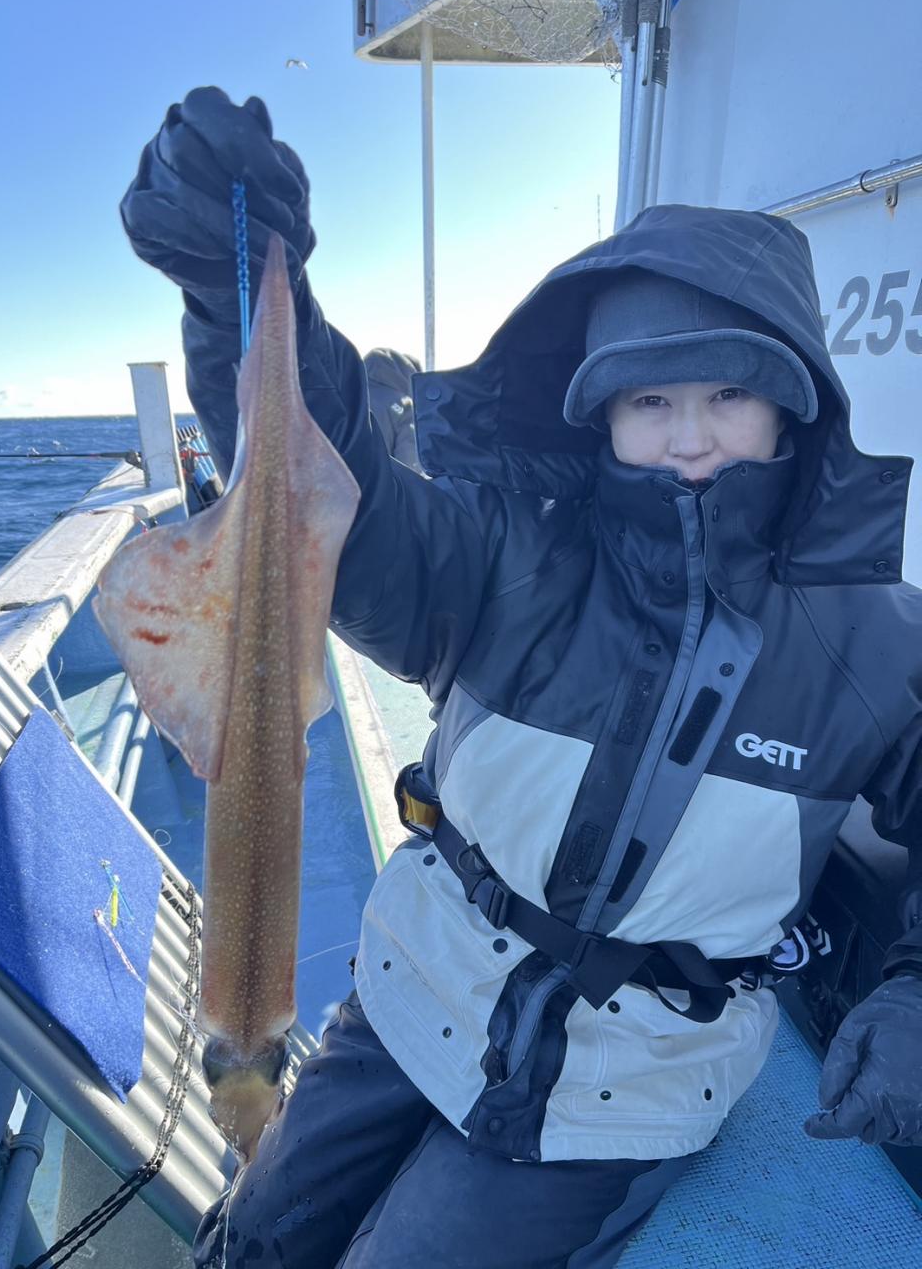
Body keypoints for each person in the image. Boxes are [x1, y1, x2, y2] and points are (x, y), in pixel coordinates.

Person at [121, 89, 922, 1268]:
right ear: (603, 416)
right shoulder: (509, 550)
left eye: (729, 396)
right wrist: (232, 285)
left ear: (792, 406)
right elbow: (334, 496)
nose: (690, 437)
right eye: (651, 401)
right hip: (419, 983)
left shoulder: (880, 639)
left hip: (639, 1074)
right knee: (256, 1236)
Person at [362, 346, 423, 473]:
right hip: (380, 484)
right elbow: (409, 466)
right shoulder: (405, 405)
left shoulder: (348, 397)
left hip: (336, 482)